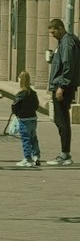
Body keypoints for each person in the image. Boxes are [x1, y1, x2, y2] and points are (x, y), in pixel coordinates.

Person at [47, 17, 80, 166]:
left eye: (54, 32)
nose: (52, 35)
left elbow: (68, 65)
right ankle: (64, 153)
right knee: (61, 119)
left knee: (62, 120)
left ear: (60, 28)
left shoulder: (67, 42)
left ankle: (65, 154)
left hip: (63, 87)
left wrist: (61, 86)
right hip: (61, 85)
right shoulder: (64, 42)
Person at [11, 69, 41, 167]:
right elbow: (36, 105)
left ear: (21, 80)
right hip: (33, 118)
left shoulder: (21, 94)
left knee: (26, 139)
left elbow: (14, 106)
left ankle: (27, 159)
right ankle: (36, 156)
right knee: (33, 138)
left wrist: (17, 114)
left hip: (24, 119)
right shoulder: (33, 93)